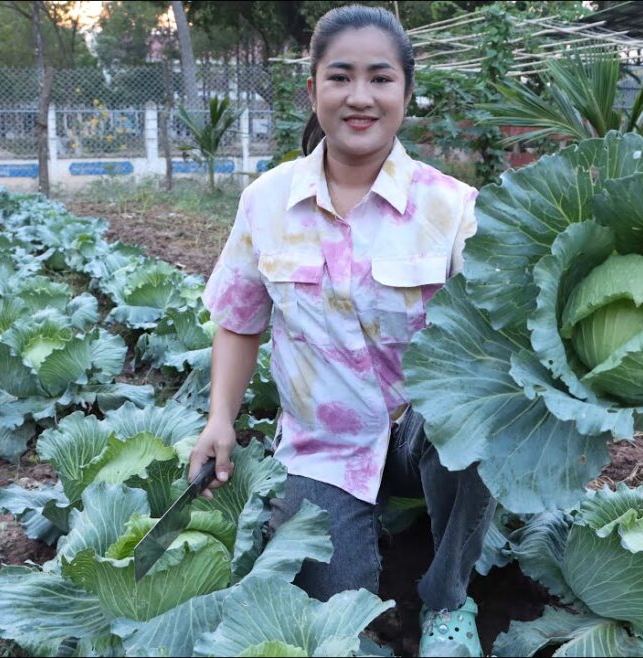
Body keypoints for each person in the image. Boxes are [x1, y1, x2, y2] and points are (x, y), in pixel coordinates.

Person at [188, 5, 494, 657]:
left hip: (420, 433)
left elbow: (500, 338)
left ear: (407, 93)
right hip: (324, 444)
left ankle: (446, 598)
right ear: (314, 90)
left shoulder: (453, 208)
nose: (360, 97)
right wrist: (219, 419)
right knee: (335, 616)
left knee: (473, 426)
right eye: (341, 77)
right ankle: (369, 553)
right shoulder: (266, 203)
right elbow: (240, 323)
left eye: (380, 79)